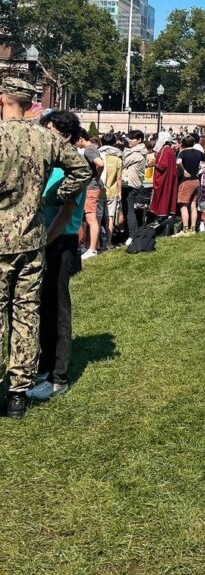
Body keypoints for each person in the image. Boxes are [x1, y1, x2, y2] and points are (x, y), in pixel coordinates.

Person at [0, 78, 91, 419]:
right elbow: (82, 168)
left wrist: (55, 196)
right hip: (33, 237)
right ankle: (18, 394)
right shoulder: (46, 138)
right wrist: (55, 195)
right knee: (27, 313)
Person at [28, 110, 88, 404]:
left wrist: (42, 242)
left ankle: (58, 377)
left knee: (58, 307)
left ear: (65, 135)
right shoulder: (51, 163)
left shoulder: (75, 165)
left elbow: (66, 215)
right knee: (42, 305)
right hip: (43, 239)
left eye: (49, 130)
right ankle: (44, 366)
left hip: (60, 241)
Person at [76, 129, 104, 259]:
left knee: (91, 218)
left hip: (91, 188)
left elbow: (100, 163)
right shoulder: (91, 148)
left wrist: (96, 176)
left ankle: (92, 249)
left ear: (81, 138)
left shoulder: (89, 150)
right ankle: (91, 247)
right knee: (90, 218)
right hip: (92, 187)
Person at [121, 130, 148, 241]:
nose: (129, 141)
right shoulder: (137, 151)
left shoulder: (137, 154)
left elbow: (123, 163)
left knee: (129, 210)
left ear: (139, 140)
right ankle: (130, 233)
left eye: (131, 139)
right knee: (128, 209)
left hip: (131, 184)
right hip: (131, 183)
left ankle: (132, 235)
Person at [98, 133, 123, 246]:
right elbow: (119, 177)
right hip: (112, 191)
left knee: (97, 218)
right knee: (110, 217)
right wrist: (119, 192)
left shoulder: (98, 156)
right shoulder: (117, 159)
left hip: (98, 190)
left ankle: (97, 242)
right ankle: (108, 242)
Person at [149, 131, 179, 221]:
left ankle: (161, 214)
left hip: (164, 177)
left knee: (163, 195)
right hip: (169, 176)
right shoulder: (169, 149)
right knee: (167, 194)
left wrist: (153, 164)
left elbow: (162, 165)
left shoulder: (165, 150)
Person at [176, 135, 202, 233]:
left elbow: (178, 162)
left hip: (186, 181)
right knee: (193, 205)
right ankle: (193, 228)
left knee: (183, 206)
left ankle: (185, 229)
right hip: (196, 180)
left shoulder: (183, 153)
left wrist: (184, 170)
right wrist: (201, 169)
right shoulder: (198, 152)